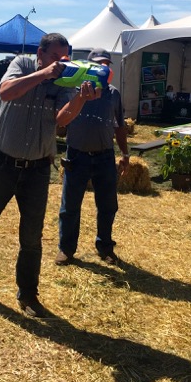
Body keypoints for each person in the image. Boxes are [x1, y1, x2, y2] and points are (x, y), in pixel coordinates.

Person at [0, 33, 99, 317]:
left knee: (32, 237)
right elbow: (5, 92)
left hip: (38, 169)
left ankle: (28, 294)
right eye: (55, 57)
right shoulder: (21, 64)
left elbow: (62, 120)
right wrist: (44, 74)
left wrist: (81, 99)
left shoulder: (65, 80)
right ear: (40, 54)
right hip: (2, 163)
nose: (61, 63)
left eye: (65, 58)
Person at [56, 48, 130, 267]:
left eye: (106, 64)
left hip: (104, 156)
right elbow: (60, 126)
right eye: (99, 64)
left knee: (108, 205)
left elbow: (119, 126)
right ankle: (66, 249)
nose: (103, 67)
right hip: (76, 155)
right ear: (89, 67)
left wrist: (125, 154)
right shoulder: (73, 90)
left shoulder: (113, 94)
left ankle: (105, 247)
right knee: (70, 206)